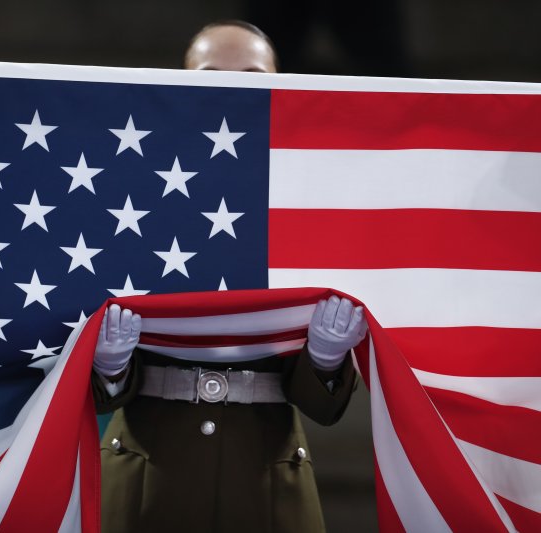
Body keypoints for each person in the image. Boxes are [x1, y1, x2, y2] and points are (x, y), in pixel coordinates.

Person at [91, 21, 367, 533]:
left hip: (266, 476)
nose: (233, 87)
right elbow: (89, 388)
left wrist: (324, 361)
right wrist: (110, 367)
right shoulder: (130, 187)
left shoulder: (307, 193)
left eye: (253, 74)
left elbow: (324, 408)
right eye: (212, 74)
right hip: (148, 473)